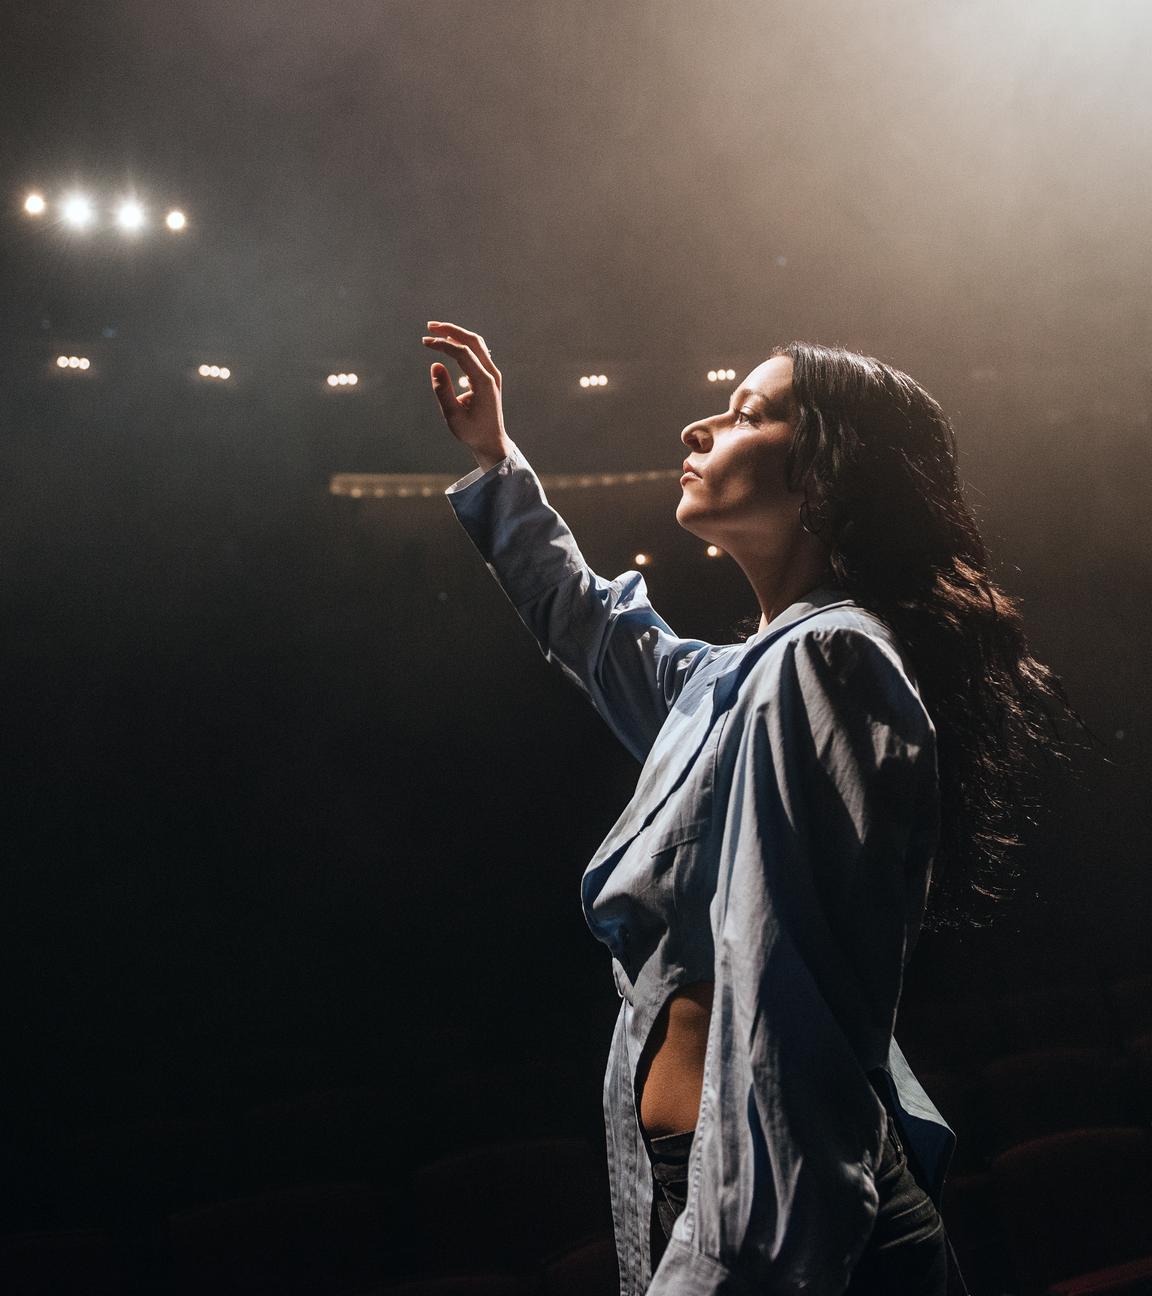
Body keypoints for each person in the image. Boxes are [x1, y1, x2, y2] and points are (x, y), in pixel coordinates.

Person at [423, 320, 1081, 1295]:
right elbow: (597, 628)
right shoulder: (751, 674)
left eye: (745, 414)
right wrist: (497, 458)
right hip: (736, 1193)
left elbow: (784, 1028)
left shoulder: (830, 661)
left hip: (785, 1218)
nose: (697, 427)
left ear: (824, 475)